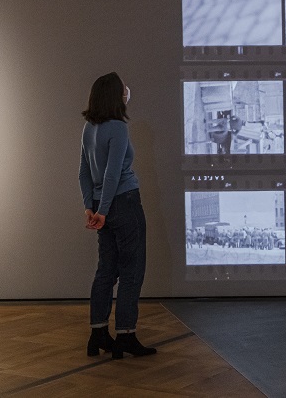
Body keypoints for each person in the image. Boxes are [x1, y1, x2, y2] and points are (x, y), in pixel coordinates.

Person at [79, 72, 157, 360]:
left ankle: (98, 333)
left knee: (105, 270)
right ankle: (125, 335)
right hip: (123, 202)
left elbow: (84, 172)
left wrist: (92, 207)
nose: (127, 91)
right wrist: (103, 209)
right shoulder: (119, 128)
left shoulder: (89, 127)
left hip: (102, 204)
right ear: (115, 96)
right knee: (131, 271)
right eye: (123, 89)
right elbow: (113, 174)